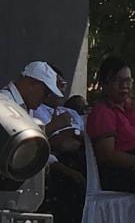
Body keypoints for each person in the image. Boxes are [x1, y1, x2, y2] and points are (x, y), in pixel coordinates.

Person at [86, 56, 135, 223]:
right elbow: (107, 155)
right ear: (104, 83)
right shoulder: (103, 111)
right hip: (117, 172)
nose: (124, 86)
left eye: (128, 81)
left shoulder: (131, 109)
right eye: (118, 81)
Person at [33, 68, 86, 223]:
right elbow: (56, 143)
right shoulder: (36, 109)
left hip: (81, 157)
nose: (60, 89)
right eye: (57, 84)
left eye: (63, 85)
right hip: (53, 162)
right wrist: (59, 130)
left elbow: (84, 138)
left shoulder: (71, 113)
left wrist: (73, 132)